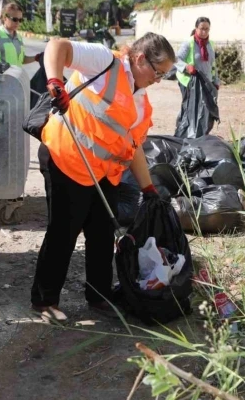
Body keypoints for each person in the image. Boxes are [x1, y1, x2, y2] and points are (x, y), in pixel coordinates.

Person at [30, 32, 177, 323]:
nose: (158, 80)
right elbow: (57, 46)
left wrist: (148, 187)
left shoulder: (141, 102)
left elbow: (133, 147)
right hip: (66, 157)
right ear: (139, 58)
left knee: (101, 235)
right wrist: (55, 83)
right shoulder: (104, 62)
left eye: (164, 75)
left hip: (101, 173)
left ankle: (98, 296)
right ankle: (44, 300)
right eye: (158, 72)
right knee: (64, 232)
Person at [174, 17, 220, 135]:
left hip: (206, 82)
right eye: (201, 29)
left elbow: (213, 64)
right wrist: (186, 67)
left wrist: (216, 81)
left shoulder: (211, 44)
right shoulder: (189, 43)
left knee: (205, 109)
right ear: (196, 28)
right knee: (189, 107)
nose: (204, 32)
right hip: (190, 82)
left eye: (207, 29)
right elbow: (176, 59)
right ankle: (183, 131)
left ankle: (200, 133)